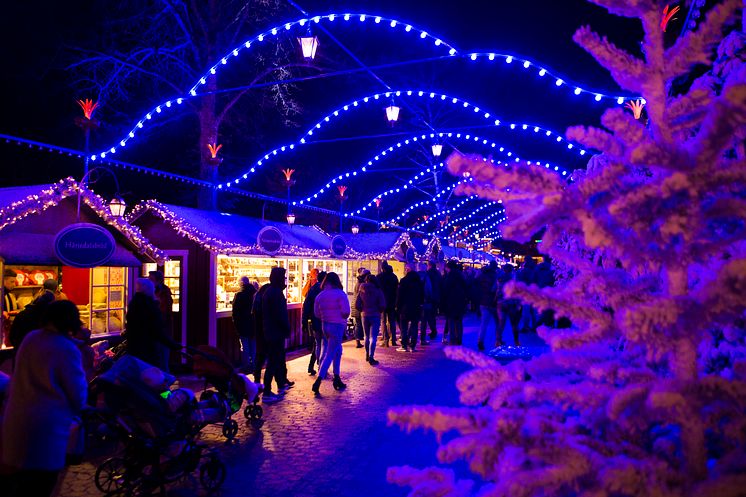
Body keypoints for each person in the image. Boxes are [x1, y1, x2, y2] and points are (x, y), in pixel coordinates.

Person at [2, 300, 87, 497]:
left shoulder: (31, 338)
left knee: (19, 484)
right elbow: (77, 392)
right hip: (47, 428)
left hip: (16, 420)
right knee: (41, 485)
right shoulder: (66, 348)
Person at [312, 272, 350, 395]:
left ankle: (337, 377)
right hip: (337, 325)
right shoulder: (340, 294)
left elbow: (316, 314)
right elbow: (346, 312)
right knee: (330, 352)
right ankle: (319, 379)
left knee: (337, 350)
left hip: (325, 325)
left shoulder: (320, 296)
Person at [260, 267, 294, 402]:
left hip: (271, 331)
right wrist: (286, 328)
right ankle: (267, 392)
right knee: (273, 361)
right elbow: (280, 314)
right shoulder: (276, 293)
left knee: (276, 360)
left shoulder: (269, 292)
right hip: (275, 332)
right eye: (283, 277)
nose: (284, 280)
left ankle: (278, 384)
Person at [125, 278, 174, 370]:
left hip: (134, 346)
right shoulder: (150, 305)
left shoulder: (134, 303)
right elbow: (156, 328)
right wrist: (170, 343)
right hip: (149, 347)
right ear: (149, 290)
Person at [355, 273, 386, 365]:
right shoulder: (378, 290)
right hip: (375, 314)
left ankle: (367, 354)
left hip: (364, 314)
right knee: (373, 337)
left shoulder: (361, 289)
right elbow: (382, 304)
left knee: (366, 336)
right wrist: (379, 310)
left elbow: (357, 303)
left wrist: (362, 309)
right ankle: (371, 356)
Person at [149, 270, 174, 372]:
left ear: (157, 281)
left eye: (151, 279)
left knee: (162, 359)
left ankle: (164, 383)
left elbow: (163, 312)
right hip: (156, 331)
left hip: (162, 331)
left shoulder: (163, 294)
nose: (149, 280)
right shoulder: (155, 292)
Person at [302, 270, 326, 375]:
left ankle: (312, 366)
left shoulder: (313, 289)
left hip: (315, 319)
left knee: (317, 343)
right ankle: (321, 365)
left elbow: (306, 305)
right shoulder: (325, 290)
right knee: (323, 344)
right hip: (325, 320)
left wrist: (304, 320)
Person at [396, 264, 424, 352]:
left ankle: (404, 345)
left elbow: (400, 295)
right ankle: (413, 346)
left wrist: (398, 306)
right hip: (416, 307)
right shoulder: (418, 281)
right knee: (414, 326)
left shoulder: (403, 281)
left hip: (405, 307)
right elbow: (421, 295)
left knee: (404, 327)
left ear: (407, 270)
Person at [232, 276, 257, 374]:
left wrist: (236, 324)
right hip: (253, 325)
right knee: (253, 346)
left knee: (245, 346)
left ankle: (246, 366)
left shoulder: (239, 295)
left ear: (241, 283)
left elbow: (235, 312)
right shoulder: (255, 294)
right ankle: (254, 365)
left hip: (243, 325)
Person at [442, 260, 468, 345]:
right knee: (459, 321)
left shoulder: (449, 277)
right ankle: (459, 339)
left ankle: (452, 339)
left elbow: (446, 289)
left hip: (451, 302)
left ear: (448, 267)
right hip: (460, 302)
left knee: (451, 321)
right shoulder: (461, 276)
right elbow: (466, 288)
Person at [476, 262, 501, 351]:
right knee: (498, 322)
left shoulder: (481, 275)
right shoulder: (495, 276)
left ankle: (480, 341)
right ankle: (498, 340)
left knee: (484, 323)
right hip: (493, 302)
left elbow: (476, 286)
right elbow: (495, 289)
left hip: (483, 302)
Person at [498, 264, 522, 346]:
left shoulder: (500, 279)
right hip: (512, 303)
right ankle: (516, 341)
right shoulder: (514, 280)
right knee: (514, 324)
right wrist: (519, 303)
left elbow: (497, 291)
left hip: (503, 303)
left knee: (501, 323)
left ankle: (498, 340)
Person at [377, 261, 399, 347]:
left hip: (382, 301)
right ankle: (393, 339)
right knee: (392, 321)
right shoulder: (394, 277)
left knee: (383, 321)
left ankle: (385, 339)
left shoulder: (379, 277)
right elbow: (397, 290)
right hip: (392, 301)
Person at [517, 258, 538, 333]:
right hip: (534, 292)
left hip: (525, 293)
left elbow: (518, 282)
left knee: (526, 311)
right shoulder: (535, 271)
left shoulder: (522, 272)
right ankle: (535, 326)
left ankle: (526, 326)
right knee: (534, 311)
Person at [417, 262, 436, 346]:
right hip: (425, 302)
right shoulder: (426, 277)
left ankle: (410, 338)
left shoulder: (415, 276)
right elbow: (429, 290)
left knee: (414, 321)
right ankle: (422, 339)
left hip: (416, 302)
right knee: (424, 322)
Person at [351, 267, 369, 349]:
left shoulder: (359, 282)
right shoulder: (361, 284)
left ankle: (358, 340)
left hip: (355, 305)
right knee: (359, 324)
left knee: (358, 324)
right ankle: (358, 341)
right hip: (358, 306)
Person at [426, 262, 442, 340]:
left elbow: (428, 286)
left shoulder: (428, 274)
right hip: (437, 297)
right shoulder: (438, 274)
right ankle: (433, 330)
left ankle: (433, 330)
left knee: (429, 315)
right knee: (433, 315)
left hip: (430, 297)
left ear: (430, 266)